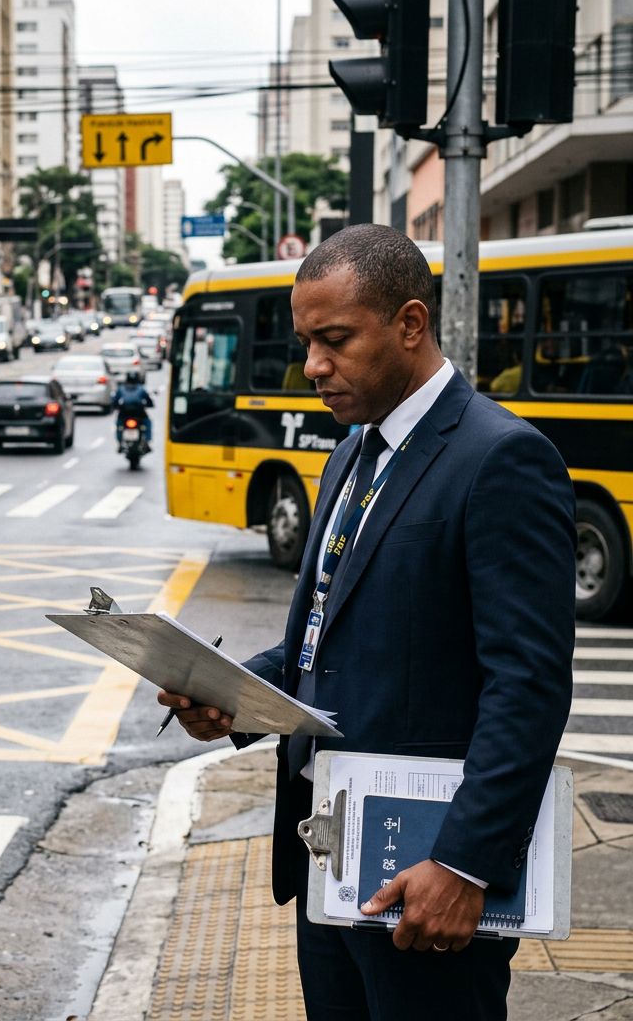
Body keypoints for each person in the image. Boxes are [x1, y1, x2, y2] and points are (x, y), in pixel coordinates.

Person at [157, 224, 575, 1021]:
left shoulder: (501, 459)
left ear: (410, 324)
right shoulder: (350, 453)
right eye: (306, 342)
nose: (313, 366)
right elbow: (324, 636)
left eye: (335, 340)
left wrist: (465, 862)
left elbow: (529, 686)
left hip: (427, 873)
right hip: (331, 861)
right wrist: (231, 699)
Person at [112, 370, 154, 446]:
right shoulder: (141, 388)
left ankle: (119, 441)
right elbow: (148, 399)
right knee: (147, 423)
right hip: (138, 412)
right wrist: (150, 404)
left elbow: (115, 400)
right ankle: (148, 440)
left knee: (119, 425)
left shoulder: (121, 388)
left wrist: (116, 406)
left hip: (124, 411)